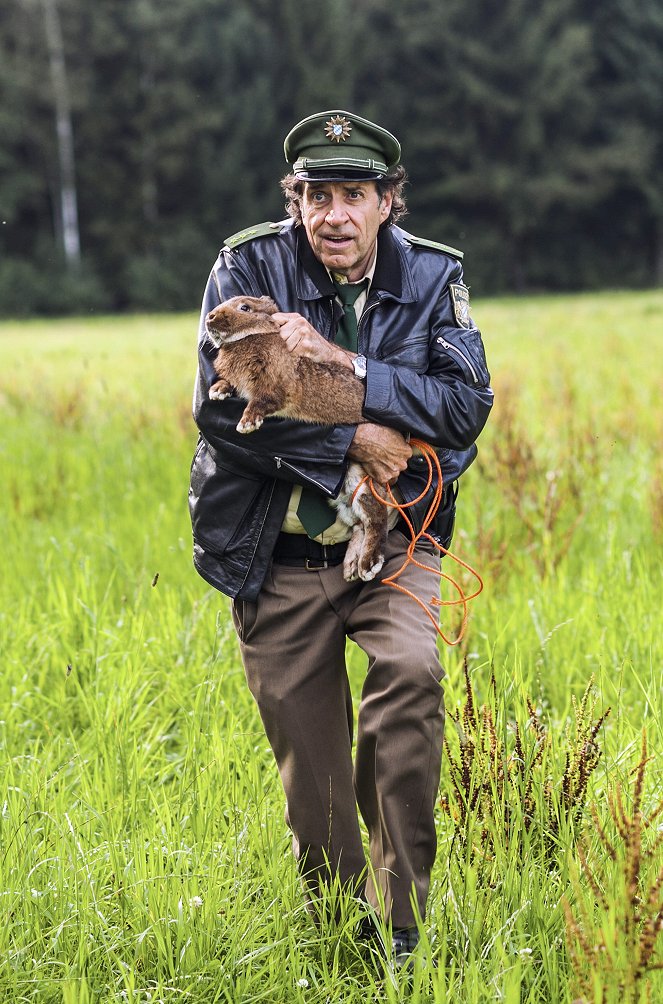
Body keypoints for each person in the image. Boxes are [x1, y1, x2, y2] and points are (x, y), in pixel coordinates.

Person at [189, 110, 493, 966]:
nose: (334, 215)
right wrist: (352, 437)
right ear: (295, 202)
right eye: (316, 195)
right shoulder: (244, 265)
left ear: (386, 201)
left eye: (353, 194)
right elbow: (218, 412)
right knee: (314, 780)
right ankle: (339, 938)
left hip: (396, 537)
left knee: (410, 672)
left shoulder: (433, 277)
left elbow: (465, 406)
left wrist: (353, 371)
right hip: (273, 547)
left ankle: (399, 927)